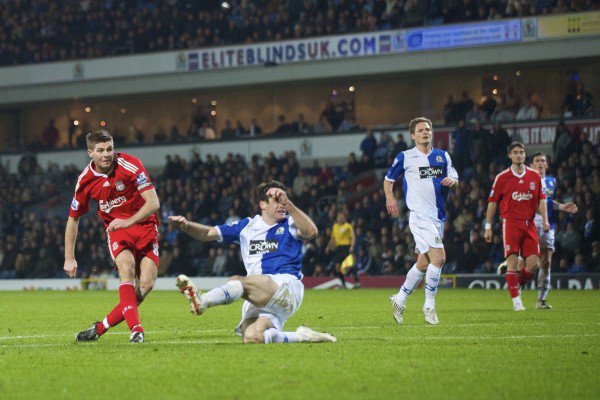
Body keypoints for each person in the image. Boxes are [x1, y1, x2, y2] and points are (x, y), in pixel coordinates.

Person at [170, 181, 336, 344]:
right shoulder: (247, 226)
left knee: (237, 281)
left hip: (285, 287)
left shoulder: (291, 223)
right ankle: (302, 336)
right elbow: (208, 233)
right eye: (276, 200)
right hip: (258, 294)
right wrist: (186, 225)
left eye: (283, 199)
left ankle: (203, 301)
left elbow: (311, 232)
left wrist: (290, 205)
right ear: (262, 204)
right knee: (253, 337)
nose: (282, 204)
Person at [64, 129, 160, 343]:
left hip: (145, 226)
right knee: (126, 268)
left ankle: (100, 328)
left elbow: (153, 203)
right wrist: (69, 257)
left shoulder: (130, 164)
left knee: (145, 285)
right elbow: (73, 219)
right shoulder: (85, 180)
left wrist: (128, 220)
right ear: (90, 153)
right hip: (118, 231)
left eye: (109, 149)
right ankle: (136, 330)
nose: (106, 154)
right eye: (100, 150)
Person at [384, 117, 459, 325]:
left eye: (428, 129)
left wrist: (452, 181)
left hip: (438, 217)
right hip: (419, 216)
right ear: (412, 135)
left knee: (424, 262)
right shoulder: (405, 157)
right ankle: (429, 306)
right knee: (439, 258)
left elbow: (454, 177)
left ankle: (400, 298)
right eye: (420, 130)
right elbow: (388, 180)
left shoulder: (443, 156)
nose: (425, 132)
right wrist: (390, 198)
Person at [484, 142, 549, 311]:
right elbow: (492, 202)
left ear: (525, 155)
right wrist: (488, 226)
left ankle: (516, 286)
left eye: (521, 152)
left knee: (534, 264)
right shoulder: (502, 177)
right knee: (512, 263)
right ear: (510, 155)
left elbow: (542, 199)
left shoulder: (534, 176)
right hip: (511, 223)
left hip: (529, 223)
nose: (519, 155)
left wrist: (546, 220)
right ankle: (516, 301)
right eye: (515, 152)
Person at [512, 152, 578, 309]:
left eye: (543, 160)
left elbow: (547, 201)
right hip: (529, 223)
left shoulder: (551, 181)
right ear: (531, 165)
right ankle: (517, 290)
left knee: (546, 261)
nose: (540, 163)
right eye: (537, 161)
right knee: (526, 263)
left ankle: (541, 301)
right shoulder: (525, 180)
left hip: (548, 225)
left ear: (546, 165)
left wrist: (562, 207)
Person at [327, 212, 357, 288]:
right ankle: (343, 283)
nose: (340, 219)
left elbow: (353, 237)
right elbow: (332, 238)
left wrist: (352, 246)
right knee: (337, 267)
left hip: (347, 247)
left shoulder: (348, 226)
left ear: (345, 218)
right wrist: (328, 247)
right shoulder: (335, 226)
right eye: (339, 217)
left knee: (350, 265)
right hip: (338, 248)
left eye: (341, 217)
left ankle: (357, 281)